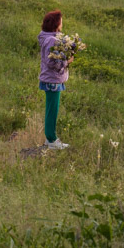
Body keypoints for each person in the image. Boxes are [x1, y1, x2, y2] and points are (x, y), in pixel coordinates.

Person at [38, 9, 69, 150]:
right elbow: (51, 62)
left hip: (52, 80)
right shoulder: (51, 40)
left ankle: (49, 139)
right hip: (52, 80)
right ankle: (51, 139)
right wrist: (67, 61)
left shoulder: (50, 38)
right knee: (52, 110)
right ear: (56, 24)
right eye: (61, 21)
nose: (62, 23)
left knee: (52, 109)